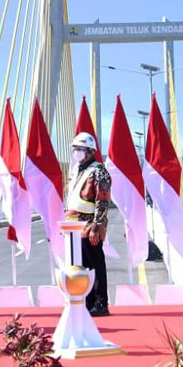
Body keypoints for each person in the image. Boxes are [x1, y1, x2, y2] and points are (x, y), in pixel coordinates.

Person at [64, 132, 113, 317]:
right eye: (74, 149)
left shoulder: (99, 170)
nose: (76, 152)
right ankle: (89, 301)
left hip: (89, 226)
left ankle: (101, 303)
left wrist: (96, 226)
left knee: (95, 265)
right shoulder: (78, 170)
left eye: (80, 149)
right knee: (83, 266)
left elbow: (102, 200)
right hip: (75, 228)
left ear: (90, 151)